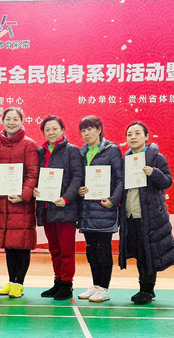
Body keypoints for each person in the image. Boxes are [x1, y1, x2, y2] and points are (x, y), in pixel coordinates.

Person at [119, 121, 174, 305]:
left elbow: (167, 181)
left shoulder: (157, 158)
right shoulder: (125, 160)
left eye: (137, 133)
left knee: (148, 254)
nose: (133, 137)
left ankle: (147, 289)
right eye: (129, 134)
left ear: (146, 136)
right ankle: (143, 288)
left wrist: (153, 172)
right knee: (139, 253)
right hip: (131, 215)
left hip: (150, 216)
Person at [0, 107, 39, 298]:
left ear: (22, 121)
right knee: (9, 245)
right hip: (2, 202)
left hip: (22, 203)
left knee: (22, 244)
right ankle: (11, 281)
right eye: (8, 119)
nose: (11, 122)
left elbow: (33, 173)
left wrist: (23, 195)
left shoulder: (29, 145)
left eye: (15, 119)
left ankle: (19, 283)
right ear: (2, 121)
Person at [34, 116, 83, 301]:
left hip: (65, 208)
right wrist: (35, 189)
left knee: (66, 250)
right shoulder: (40, 153)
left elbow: (77, 177)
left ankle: (67, 284)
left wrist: (66, 198)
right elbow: (35, 175)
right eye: (47, 129)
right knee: (54, 249)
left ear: (63, 130)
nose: (51, 132)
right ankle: (58, 281)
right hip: (46, 208)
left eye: (55, 128)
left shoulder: (72, 151)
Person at [76, 115, 123, 303]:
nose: (86, 133)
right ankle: (96, 285)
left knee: (103, 250)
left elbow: (120, 179)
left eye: (90, 129)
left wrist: (113, 200)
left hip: (104, 209)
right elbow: (79, 178)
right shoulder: (81, 153)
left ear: (99, 129)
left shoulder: (112, 150)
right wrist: (79, 190)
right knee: (91, 250)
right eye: (83, 130)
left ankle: (104, 288)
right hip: (86, 210)